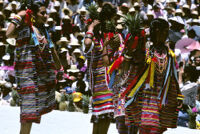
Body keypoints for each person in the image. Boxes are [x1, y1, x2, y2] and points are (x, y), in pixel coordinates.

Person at [6, 1, 61, 134]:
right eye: (42, 13)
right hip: (27, 76)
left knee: (30, 115)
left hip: (39, 77)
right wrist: (21, 15)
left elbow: (52, 51)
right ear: (33, 15)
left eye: (46, 13)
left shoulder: (44, 31)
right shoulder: (25, 29)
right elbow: (9, 33)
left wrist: (59, 68)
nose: (46, 15)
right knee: (28, 115)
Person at [121, 18, 183, 133]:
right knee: (147, 127)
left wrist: (178, 94)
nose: (164, 35)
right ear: (154, 32)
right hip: (146, 97)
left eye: (166, 32)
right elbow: (132, 62)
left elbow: (173, 76)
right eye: (161, 32)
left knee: (157, 129)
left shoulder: (169, 54)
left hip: (163, 98)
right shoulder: (145, 50)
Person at [84, 2, 116, 134]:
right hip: (100, 82)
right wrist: (90, 28)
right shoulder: (95, 40)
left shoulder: (106, 38)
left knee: (104, 115)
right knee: (103, 114)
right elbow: (87, 43)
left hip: (107, 81)